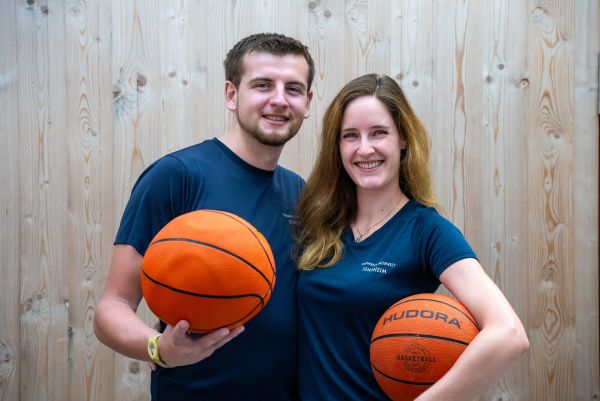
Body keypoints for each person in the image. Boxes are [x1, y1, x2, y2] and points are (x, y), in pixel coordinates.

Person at [94, 33, 314, 401]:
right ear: (231, 94)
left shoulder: (301, 193)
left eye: (292, 88)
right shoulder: (177, 176)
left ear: (307, 103)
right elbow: (111, 308)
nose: (279, 99)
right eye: (262, 85)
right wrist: (158, 348)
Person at [293, 74, 528, 401]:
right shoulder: (320, 224)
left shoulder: (427, 231)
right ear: (337, 146)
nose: (365, 148)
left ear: (402, 138)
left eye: (379, 133)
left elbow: (509, 334)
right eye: (350, 136)